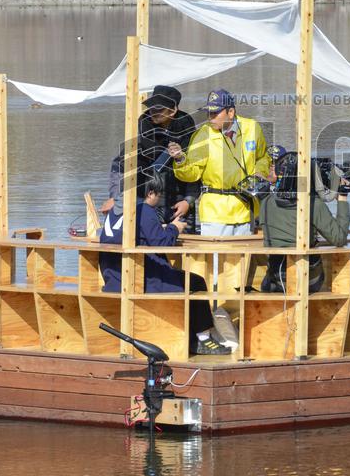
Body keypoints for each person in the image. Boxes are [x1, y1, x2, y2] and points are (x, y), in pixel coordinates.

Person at [99, 173, 231, 355]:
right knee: (196, 283)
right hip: (141, 280)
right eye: (158, 195)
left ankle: (194, 337)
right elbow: (161, 242)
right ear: (150, 193)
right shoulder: (143, 209)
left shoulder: (115, 211)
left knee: (186, 279)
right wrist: (174, 228)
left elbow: (142, 235)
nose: (159, 199)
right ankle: (202, 339)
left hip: (113, 278)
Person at [168, 88, 269, 236]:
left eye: (215, 113)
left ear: (231, 112)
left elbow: (263, 157)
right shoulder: (204, 134)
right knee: (216, 258)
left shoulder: (252, 128)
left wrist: (260, 172)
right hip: (215, 212)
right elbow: (192, 173)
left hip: (245, 209)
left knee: (243, 257)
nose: (210, 117)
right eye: (209, 113)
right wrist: (180, 159)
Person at [102, 85, 198, 228]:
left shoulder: (190, 135)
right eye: (152, 107)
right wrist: (115, 199)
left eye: (159, 109)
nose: (153, 111)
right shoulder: (140, 133)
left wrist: (188, 201)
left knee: (184, 247)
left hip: (180, 204)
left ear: (173, 111)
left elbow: (197, 172)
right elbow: (119, 167)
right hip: (147, 203)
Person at [260, 151, 350, 293]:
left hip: (276, 279)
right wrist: (343, 198)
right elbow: (339, 239)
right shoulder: (313, 204)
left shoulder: (265, 203)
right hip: (308, 280)